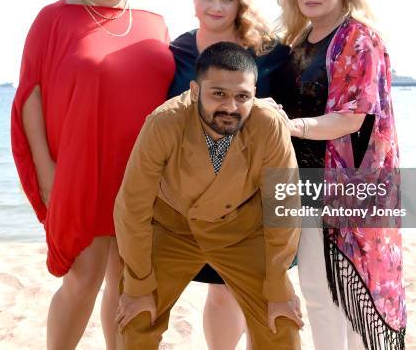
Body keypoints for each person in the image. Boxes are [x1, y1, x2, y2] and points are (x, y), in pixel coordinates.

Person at [10, 0, 174, 349]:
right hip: (81, 171)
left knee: (127, 283)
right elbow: (30, 97)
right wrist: (48, 172)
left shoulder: (155, 23)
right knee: (83, 277)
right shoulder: (54, 19)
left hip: (141, 172)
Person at [114, 42, 303, 349]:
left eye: (242, 96)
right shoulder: (163, 123)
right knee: (136, 316)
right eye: (218, 94)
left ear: (254, 94)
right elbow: (132, 207)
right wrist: (138, 284)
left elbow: (284, 204)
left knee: (280, 321)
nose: (230, 106)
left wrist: (279, 287)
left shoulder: (268, 125)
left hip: (240, 230)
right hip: (173, 228)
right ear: (194, 89)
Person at [271, 0, 406, 350]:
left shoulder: (360, 39)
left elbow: (353, 118)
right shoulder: (299, 43)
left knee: (346, 292)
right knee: (319, 288)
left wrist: (292, 127)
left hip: (352, 188)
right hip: (307, 182)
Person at [168, 0, 290, 350]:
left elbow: (290, 114)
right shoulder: (178, 51)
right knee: (220, 287)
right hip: (203, 191)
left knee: (260, 286)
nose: (216, 7)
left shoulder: (269, 52)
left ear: (240, 3)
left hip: (259, 187)